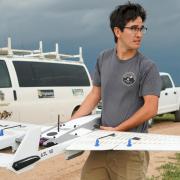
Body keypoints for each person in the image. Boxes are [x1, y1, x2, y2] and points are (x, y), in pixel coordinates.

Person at [71, 2, 161, 180]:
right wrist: (71, 124)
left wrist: (119, 129)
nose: (139, 34)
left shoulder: (147, 67)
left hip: (131, 148)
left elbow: (151, 108)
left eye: (142, 28)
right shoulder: (103, 58)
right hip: (101, 145)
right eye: (134, 28)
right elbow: (94, 95)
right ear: (117, 31)